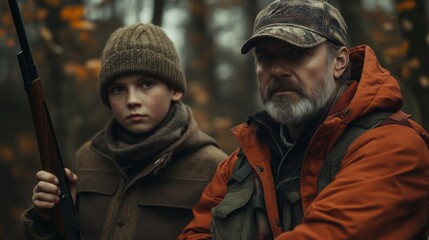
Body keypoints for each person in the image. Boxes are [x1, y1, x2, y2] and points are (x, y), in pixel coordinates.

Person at [178, 0, 429, 239]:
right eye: (266, 58)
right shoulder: (243, 163)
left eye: (296, 53)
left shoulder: (394, 147)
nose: (277, 70)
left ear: (339, 62)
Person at [20, 23, 227, 240]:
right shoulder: (88, 158)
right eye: (118, 89)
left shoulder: (213, 166)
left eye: (146, 84)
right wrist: (50, 217)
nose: (132, 101)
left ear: (175, 89)